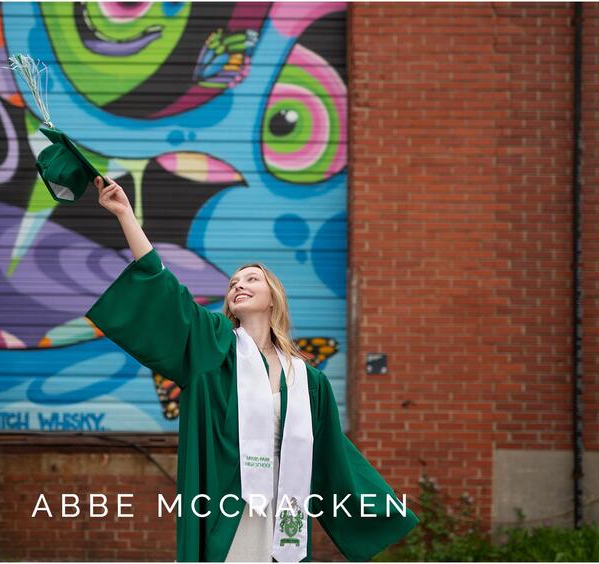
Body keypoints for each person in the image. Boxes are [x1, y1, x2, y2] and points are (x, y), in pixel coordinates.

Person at [85, 176, 419, 562]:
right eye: (232, 283)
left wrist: (380, 506)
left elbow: (334, 456)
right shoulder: (215, 348)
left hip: (284, 506)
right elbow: (166, 292)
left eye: (251, 279)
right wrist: (126, 215)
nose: (238, 285)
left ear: (272, 298)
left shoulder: (308, 381)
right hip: (229, 505)